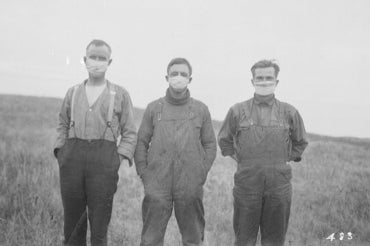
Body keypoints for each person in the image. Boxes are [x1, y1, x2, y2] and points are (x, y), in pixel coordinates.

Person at [53, 39, 137, 246]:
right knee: (72, 223)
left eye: (102, 58)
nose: (97, 62)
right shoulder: (73, 92)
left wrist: (117, 159)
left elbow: (129, 132)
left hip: (104, 161)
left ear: (110, 62)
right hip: (72, 159)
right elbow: (62, 123)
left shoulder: (120, 94)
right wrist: (61, 152)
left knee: (99, 223)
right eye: (93, 57)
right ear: (84, 60)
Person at [218, 59, 308, 246]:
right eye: (260, 78)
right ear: (252, 81)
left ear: (276, 81)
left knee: (274, 241)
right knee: (244, 240)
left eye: (269, 77)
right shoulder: (237, 111)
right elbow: (225, 141)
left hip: (279, 186)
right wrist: (242, 159)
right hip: (246, 185)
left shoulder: (290, 112)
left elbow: (300, 142)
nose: (264, 81)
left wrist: (284, 159)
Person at [134, 57, 217, 246]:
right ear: (166, 77)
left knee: (193, 239)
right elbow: (141, 143)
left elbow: (210, 145)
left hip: (189, 184)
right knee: (150, 240)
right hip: (157, 183)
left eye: (183, 74)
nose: (178, 77)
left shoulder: (201, 109)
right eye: (174, 74)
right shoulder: (154, 108)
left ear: (190, 79)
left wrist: (200, 173)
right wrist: (144, 174)